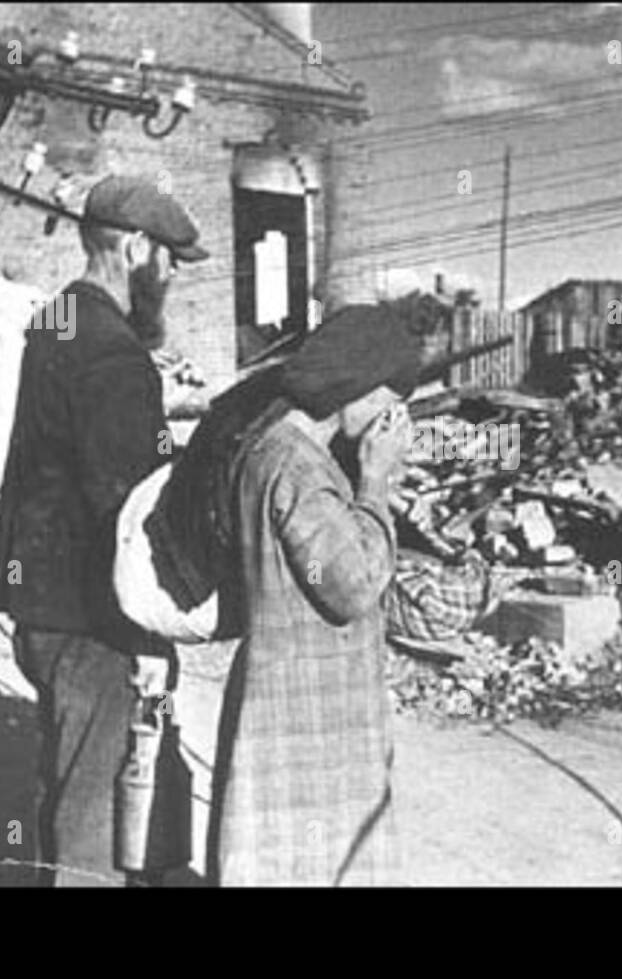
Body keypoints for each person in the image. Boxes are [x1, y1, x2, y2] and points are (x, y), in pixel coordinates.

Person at [0, 174, 209, 886]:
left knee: (65, 782)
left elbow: (60, 455)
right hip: (94, 619)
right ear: (136, 249)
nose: (171, 277)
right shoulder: (112, 352)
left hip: (42, 606)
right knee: (98, 816)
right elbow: (129, 509)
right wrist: (151, 632)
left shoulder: (57, 320)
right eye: (169, 258)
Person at [206, 305, 419, 886]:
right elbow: (349, 589)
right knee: (312, 864)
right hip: (310, 704)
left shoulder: (273, 449)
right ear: (353, 385)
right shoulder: (298, 466)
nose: (390, 418)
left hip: (293, 690)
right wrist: (375, 485)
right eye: (387, 397)